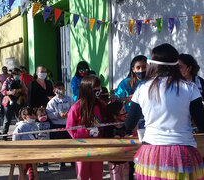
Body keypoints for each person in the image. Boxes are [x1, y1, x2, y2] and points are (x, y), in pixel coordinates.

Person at [125, 43, 204, 180]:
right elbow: (202, 124)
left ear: (153, 64)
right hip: (184, 152)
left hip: (152, 153)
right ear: (175, 64)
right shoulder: (190, 88)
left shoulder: (142, 88)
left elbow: (129, 123)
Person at [66, 76, 106, 180]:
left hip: (98, 146)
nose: (99, 90)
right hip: (82, 148)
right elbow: (70, 127)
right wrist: (79, 138)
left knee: (97, 174)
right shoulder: (76, 107)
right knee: (82, 174)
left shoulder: (101, 105)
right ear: (87, 89)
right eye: (96, 87)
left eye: (99, 87)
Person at [46, 81, 74, 170]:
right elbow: (49, 114)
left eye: (62, 88)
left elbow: (74, 109)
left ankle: (72, 161)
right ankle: (61, 162)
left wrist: (69, 114)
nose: (61, 90)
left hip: (68, 125)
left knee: (70, 144)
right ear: (54, 90)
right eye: (58, 89)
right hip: (57, 126)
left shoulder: (69, 99)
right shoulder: (52, 102)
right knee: (60, 145)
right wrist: (58, 115)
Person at [104, 101, 129, 180]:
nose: (125, 113)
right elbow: (105, 140)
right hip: (113, 161)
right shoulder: (108, 127)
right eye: (123, 111)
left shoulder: (126, 125)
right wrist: (113, 139)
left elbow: (130, 135)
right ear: (115, 116)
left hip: (125, 160)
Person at [1, 68, 27, 140]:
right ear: (13, 74)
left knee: (19, 119)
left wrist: (20, 91)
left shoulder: (21, 82)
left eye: (19, 74)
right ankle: (4, 136)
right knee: (7, 120)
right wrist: (10, 92)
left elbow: (25, 91)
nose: (17, 76)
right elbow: (3, 91)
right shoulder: (7, 81)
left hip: (18, 102)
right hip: (8, 103)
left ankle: (20, 134)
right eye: (16, 74)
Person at [12, 106, 38, 180]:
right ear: (24, 117)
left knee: (33, 169)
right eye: (31, 115)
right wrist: (16, 150)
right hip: (24, 152)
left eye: (34, 115)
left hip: (34, 151)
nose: (33, 117)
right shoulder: (21, 126)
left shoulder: (35, 125)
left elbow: (37, 136)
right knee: (23, 170)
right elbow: (15, 138)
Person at [35, 106, 50, 173]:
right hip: (38, 142)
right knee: (37, 155)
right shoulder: (35, 124)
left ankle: (45, 167)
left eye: (44, 115)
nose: (43, 116)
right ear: (37, 116)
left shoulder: (49, 123)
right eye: (41, 115)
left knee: (46, 155)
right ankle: (35, 167)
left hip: (47, 142)